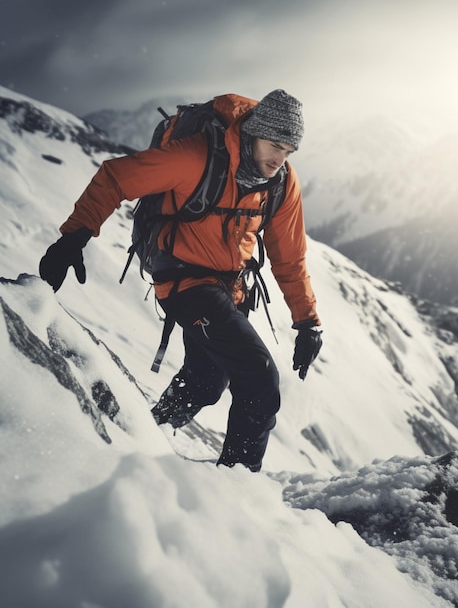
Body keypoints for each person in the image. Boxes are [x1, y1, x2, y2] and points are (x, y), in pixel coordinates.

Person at [39, 89, 322, 472]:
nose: (279, 159)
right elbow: (116, 177)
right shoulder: (197, 156)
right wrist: (74, 237)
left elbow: (290, 256)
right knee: (259, 379)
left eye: (289, 151)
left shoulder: (281, 182)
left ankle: (143, 433)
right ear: (254, 134)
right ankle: (239, 487)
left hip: (230, 288)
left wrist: (307, 322)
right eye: (274, 145)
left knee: (206, 382)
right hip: (184, 283)